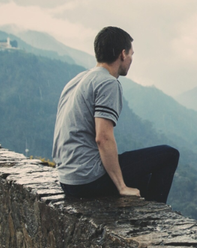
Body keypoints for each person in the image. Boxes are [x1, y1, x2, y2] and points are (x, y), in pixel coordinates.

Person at [52, 26, 178, 204]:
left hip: (68, 178)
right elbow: (103, 138)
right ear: (122, 54)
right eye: (131, 54)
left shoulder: (78, 79)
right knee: (169, 154)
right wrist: (121, 187)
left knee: (142, 180)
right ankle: (156, 218)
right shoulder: (108, 83)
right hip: (87, 179)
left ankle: (144, 213)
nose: (131, 59)